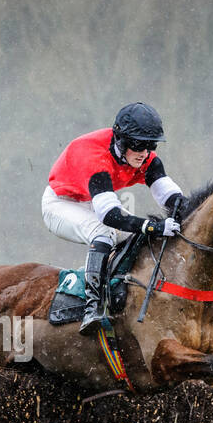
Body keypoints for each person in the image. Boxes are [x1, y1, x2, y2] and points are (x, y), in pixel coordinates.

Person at [44, 103, 186, 335]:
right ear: (120, 140)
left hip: (91, 201)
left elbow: (168, 193)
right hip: (60, 203)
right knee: (104, 232)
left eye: (151, 145)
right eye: (139, 145)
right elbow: (110, 215)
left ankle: (118, 290)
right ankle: (92, 307)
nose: (145, 152)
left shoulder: (143, 156)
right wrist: (153, 226)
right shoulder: (93, 155)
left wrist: (184, 209)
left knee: (133, 237)